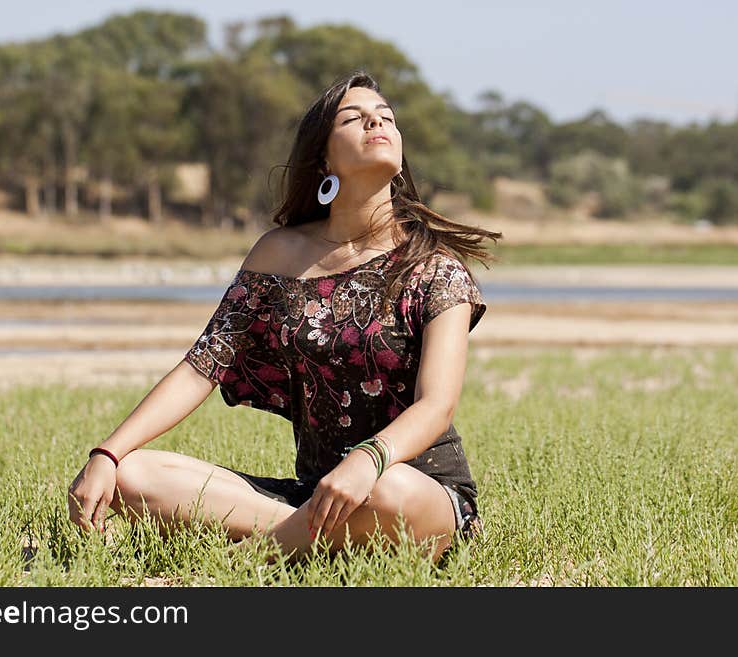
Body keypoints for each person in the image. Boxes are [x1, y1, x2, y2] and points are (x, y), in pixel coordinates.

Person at [68, 70, 502, 564]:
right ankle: (312, 542)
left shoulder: (434, 266)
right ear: (322, 156)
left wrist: (369, 459)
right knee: (132, 475)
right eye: (354, 118)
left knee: (388, 492)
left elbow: (437, 405)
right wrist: (106, 453)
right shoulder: (280, 254)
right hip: (315, 496)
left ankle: (250, 561)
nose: (376, 123)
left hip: (416, 493)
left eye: (386, 117)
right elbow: (201, 367)